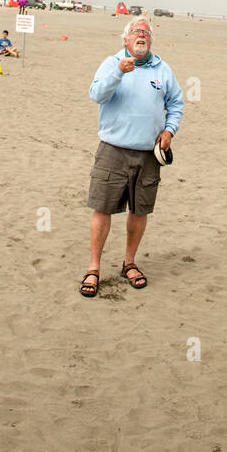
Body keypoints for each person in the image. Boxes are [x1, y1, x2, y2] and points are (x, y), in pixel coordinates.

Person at [80, 17, 183, 298]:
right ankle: (94, 267)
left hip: (148, 154)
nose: (142, 36)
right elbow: (96, 95)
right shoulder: (112, 63)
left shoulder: (163, 69)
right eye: (136, 32)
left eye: (146, 33)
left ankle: (129, 262)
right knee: (102, 208)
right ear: (125, 40)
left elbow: (176, 103)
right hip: (113, 149)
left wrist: (169, 131)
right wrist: (118, 72)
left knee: (140, 211)